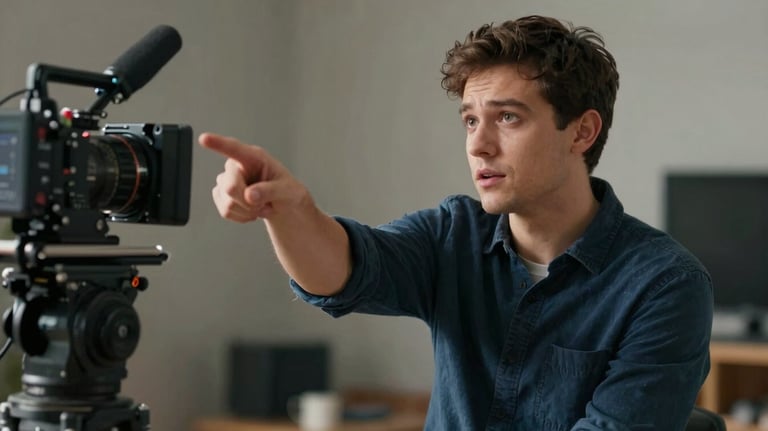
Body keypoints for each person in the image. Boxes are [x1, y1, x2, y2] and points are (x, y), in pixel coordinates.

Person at [200, 15, 712, 431]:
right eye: (470, 119)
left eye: (507, 117)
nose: (477, 144)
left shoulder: (665, 284)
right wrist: (288, 212)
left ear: (581, 132)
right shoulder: (452, 235)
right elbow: (345, 270)